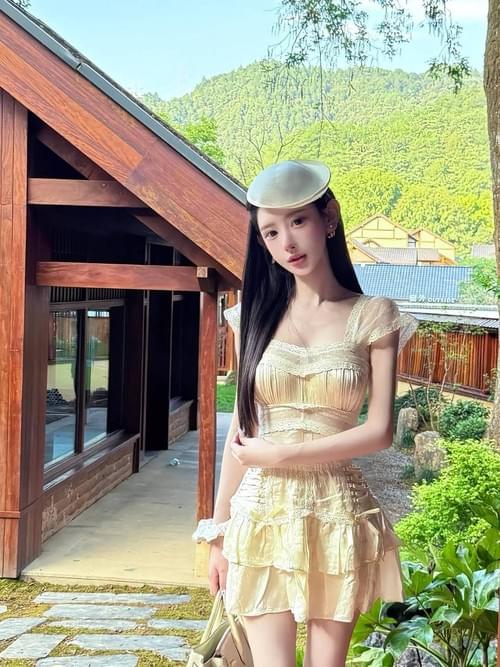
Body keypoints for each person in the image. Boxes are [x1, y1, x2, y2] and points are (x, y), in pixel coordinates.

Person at [192, 159, 419, 667]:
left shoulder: (373, 314)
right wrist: (218, 533)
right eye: (271, 233)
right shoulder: (251, 316)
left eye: (297, 221)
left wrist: (281, 454)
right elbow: (242, 433)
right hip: (262, 514)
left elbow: (379, 431)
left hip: (337, 512)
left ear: (328, 218)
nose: (287, 243)